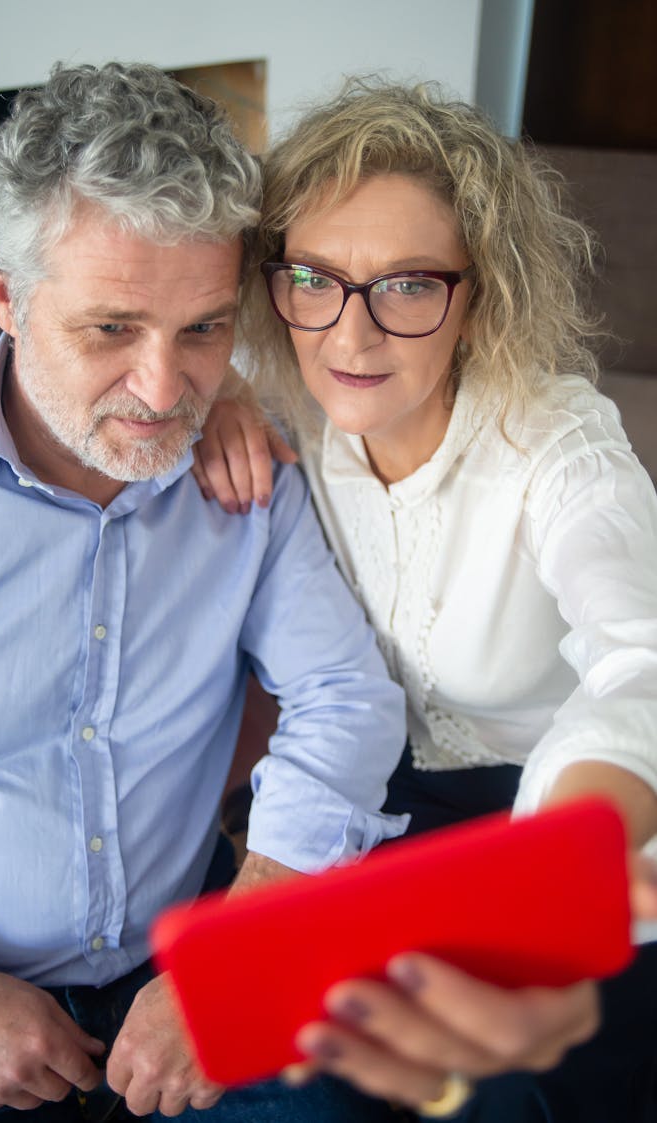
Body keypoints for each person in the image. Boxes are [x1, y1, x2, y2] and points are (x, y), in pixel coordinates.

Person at [0, 62, 417, 1123]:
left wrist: (234, 952)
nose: (160, 389)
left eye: (203, 331)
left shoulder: (246, 469)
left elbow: (345, 699)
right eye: (110, 330)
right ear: (3, 292)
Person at [192, 79, 657, 1121]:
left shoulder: (559, 446)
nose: (350, 337)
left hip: (566, 818)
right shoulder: (295, 409)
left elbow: (645, 658)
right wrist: (217, 396)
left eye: (407, 286)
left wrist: (558, 865)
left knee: (512, 1090)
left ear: (479, 294)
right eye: (314, 279)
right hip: (381, 811)